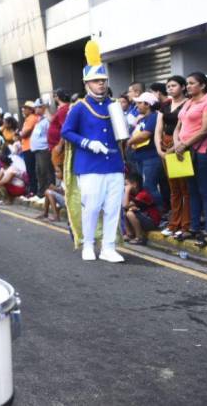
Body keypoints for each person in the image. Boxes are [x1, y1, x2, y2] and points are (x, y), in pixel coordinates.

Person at [61, 41, 126, 263]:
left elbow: (121, 133)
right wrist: (88, 143)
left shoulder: (114, 104)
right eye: (97, 81)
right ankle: (88, 244)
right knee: (92, 207)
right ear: (87, 83)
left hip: (114, 164)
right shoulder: (79, 106)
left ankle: (108, 247)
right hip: (89, 164)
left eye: (104, 81)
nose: (101, 84)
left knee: (112, 208)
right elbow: (66, 131)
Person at [171, 72, 207, 247]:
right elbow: (178, 127)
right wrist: (177, 143)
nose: (188, 86)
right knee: (192, 191)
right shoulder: (188, 102)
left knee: (205, 190)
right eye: (187, 83)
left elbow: (206, 129)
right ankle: (193, 227)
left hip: (203, 152)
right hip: (183, 152)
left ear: (203, 85)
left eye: (192, 83)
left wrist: (184, 145)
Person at [156, 76, 190, 238]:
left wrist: (173, 148)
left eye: (174, 85)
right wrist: (159, 149)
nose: (170, 88)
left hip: (180, 147)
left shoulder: (188, 103)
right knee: (173, 188)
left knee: (184, 188)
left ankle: (185, 225)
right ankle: (173, 223)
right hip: (165, 146)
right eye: (168, 86)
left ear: (183, 87)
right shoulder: (165, 105)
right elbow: (158, 129)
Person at [127, 91, 163, 208]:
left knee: (149, 185)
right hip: (140, 157)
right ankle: (149, 211)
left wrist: (130, 141)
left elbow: (145, 134)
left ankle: (161, 211)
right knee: (143, 186)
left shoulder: (154, 117)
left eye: (139, 103)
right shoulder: (142, 119)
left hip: (151, 157)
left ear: (147, 104)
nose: (136, 106)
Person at [122, 171, 161, 245]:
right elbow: (124, 206)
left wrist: (126, 191)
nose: (125, 187)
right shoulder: (132, 194)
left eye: (126, 185)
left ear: (134, 184)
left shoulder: (143, 194)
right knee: (124, 211)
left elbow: (125, 205)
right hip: (144, 217)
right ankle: (129, 234)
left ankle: (139, 237)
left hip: (152, 221)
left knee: (130, 213)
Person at [31, 99, 52, 200]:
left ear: (43, 108)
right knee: (39, 171)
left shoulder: (47, 120)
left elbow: (50, 135)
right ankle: (41, 193)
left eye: (37, 107)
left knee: (45, 171)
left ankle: (47, 194)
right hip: (38, 150)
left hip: (44, 149)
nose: (35, 109)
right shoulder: (40, 120)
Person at [48, 89, 71, 177]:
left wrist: (60, 144)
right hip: (55, 145)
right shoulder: (61, 109)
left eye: (54, 96)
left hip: (58, 146)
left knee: (60, 171)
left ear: (57, 97)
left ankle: (65, 189)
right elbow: (52, 120)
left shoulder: (63, 110)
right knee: (58, 170)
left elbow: (65, 128)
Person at [19, 101, 39, 196]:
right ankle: (33, 190)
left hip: (29, 147)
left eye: (25, 108)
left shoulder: (31, 118)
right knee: (31, 170)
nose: (23, 110)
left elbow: (24, 133)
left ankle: (33, 191)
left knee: (31, 170)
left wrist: (20, 134)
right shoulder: (31, 118)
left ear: (31, 110)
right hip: (28, 147)